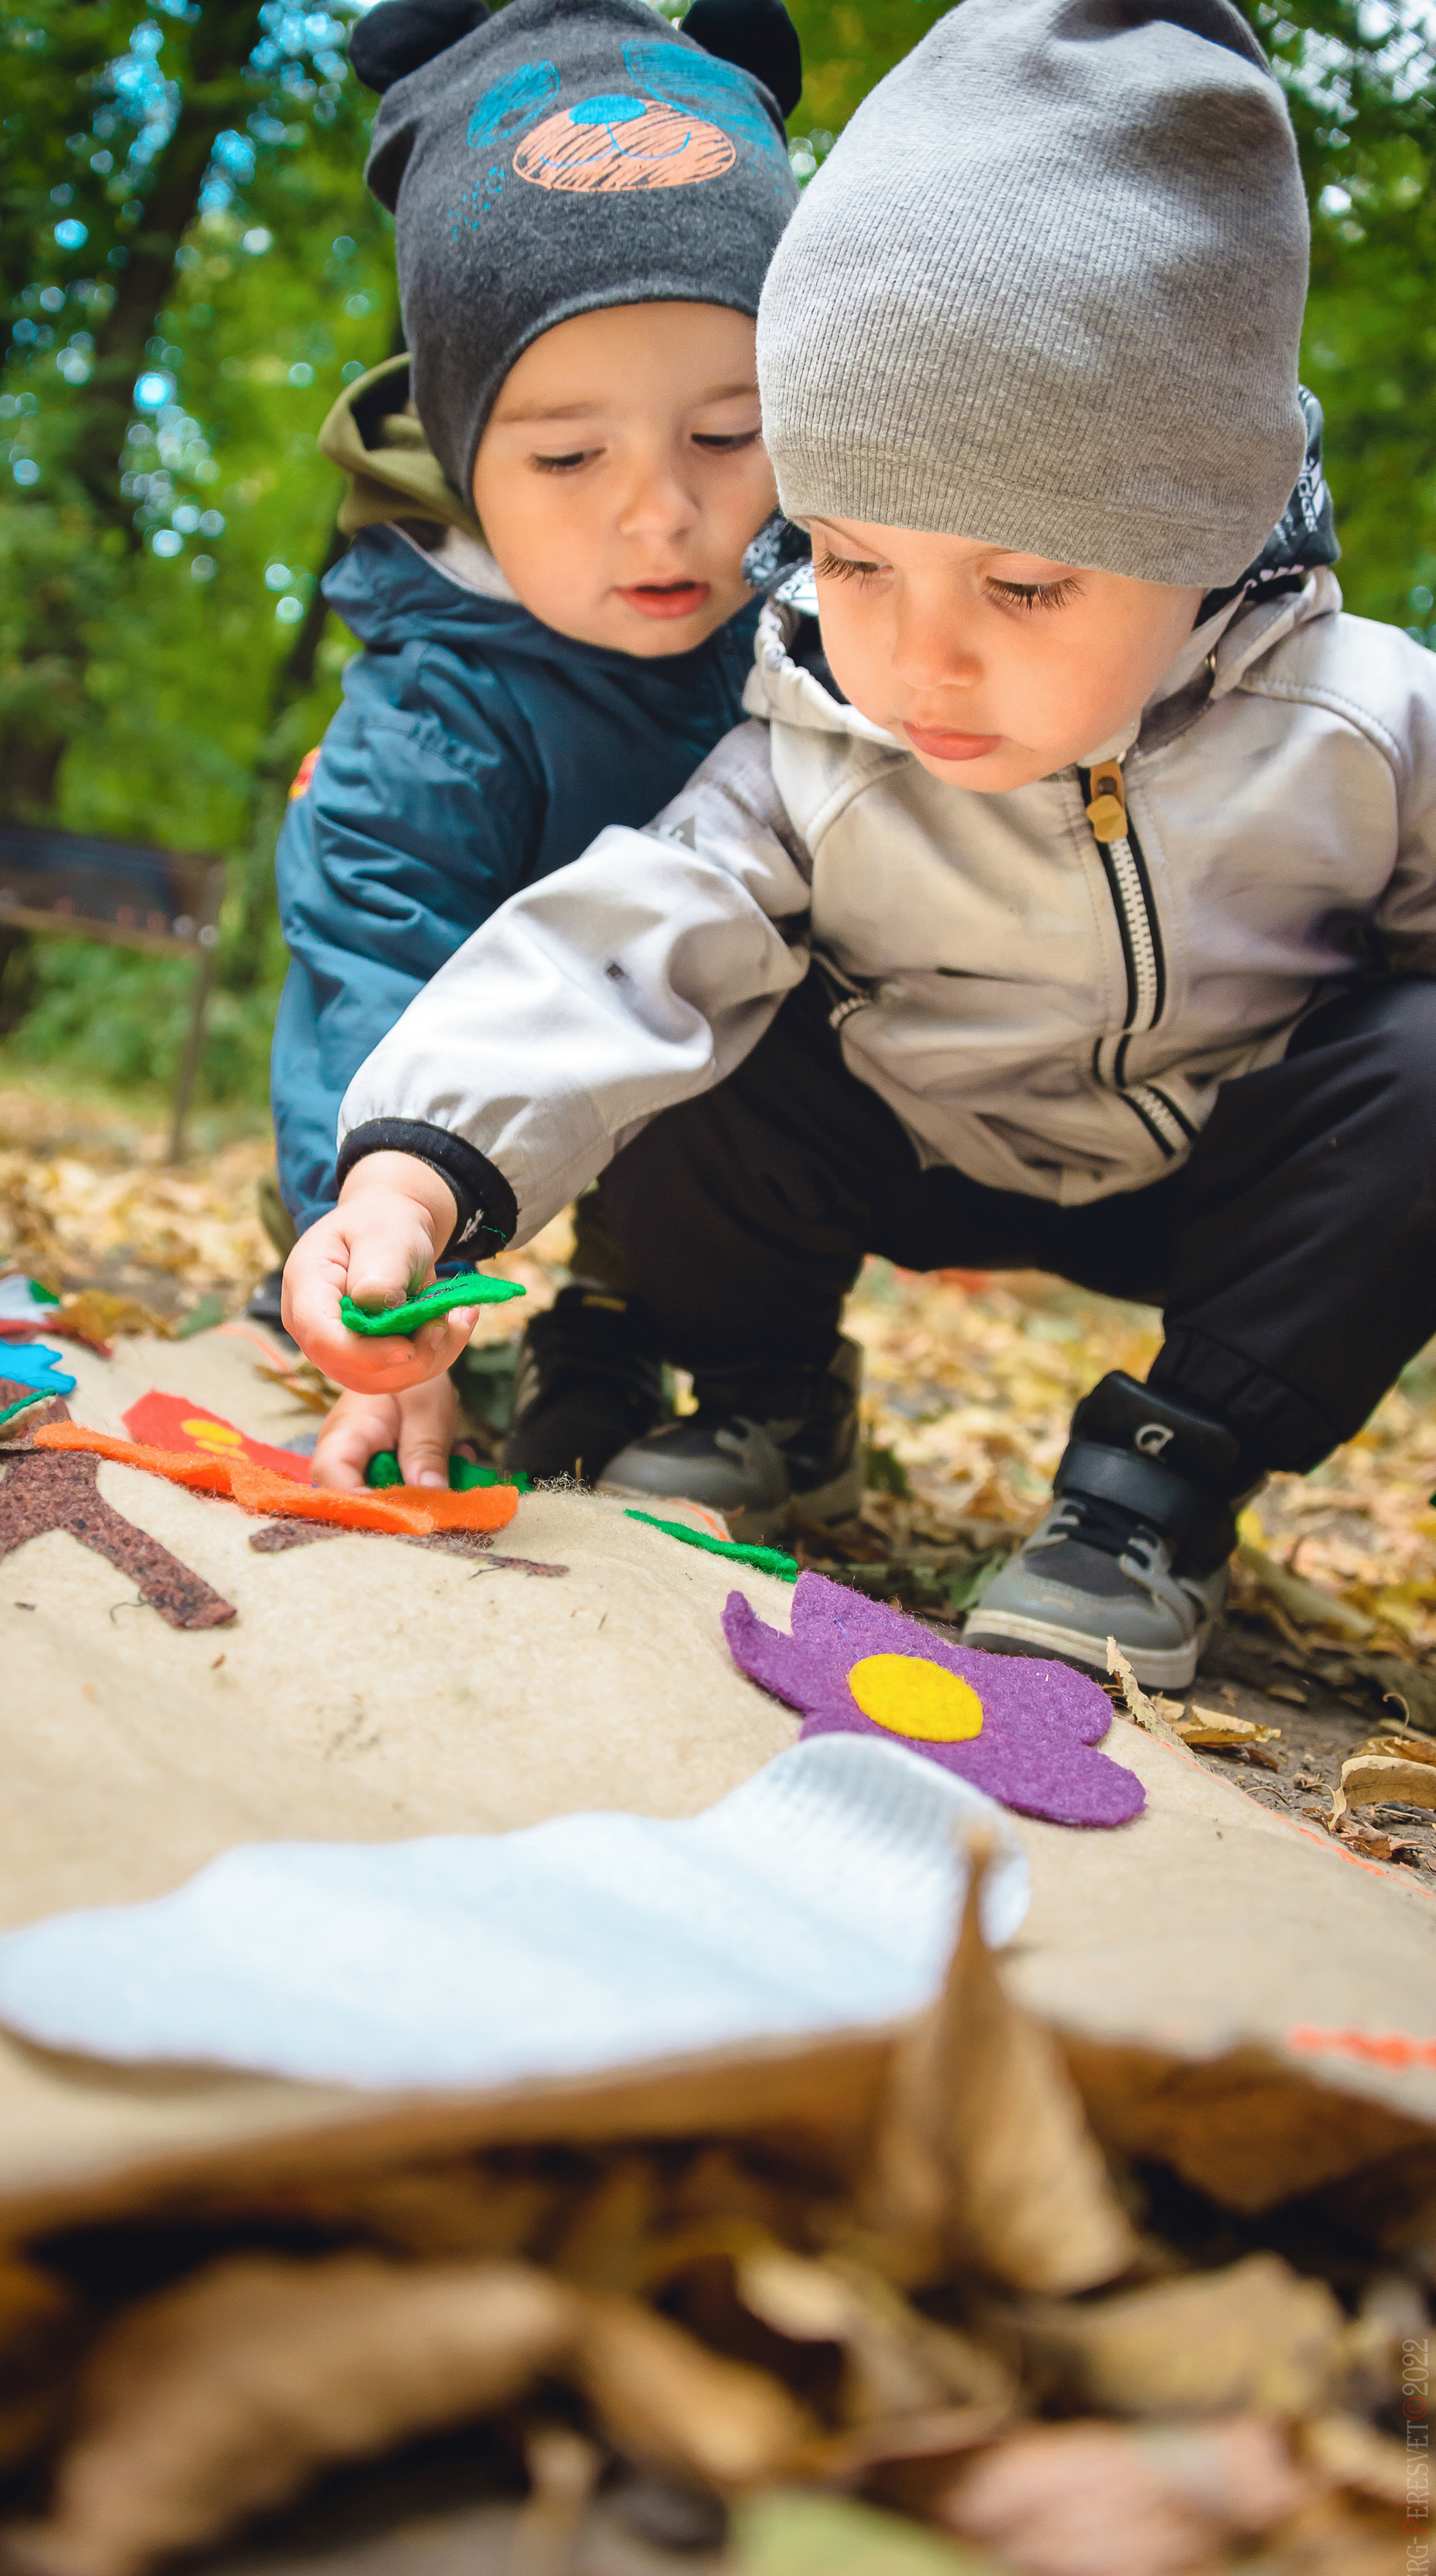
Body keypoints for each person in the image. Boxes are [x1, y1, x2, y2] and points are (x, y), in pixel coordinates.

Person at [285, 0, 1436, 1690]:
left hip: (1211, 1170)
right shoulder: (812, 731)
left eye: (1027, 584)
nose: (919, 657)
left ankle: (1158, 1478)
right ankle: (766, 1395)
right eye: (851, 558)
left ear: (1207, 518)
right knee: (704, 999)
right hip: (903, 1127)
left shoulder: (1363, 722)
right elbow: (615, 939)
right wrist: (408, 1172)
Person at [266, 0, 803, 1491]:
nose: (658, 514)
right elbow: (363, 969)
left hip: (702, 1146)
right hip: (412, 1139)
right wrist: (363, 1232)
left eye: (725, 436)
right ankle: (343, 1286)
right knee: (358, 1254)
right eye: (568, 456)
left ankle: (671, 1340)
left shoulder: (826, 653)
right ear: (456, 454)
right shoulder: (436, 721)